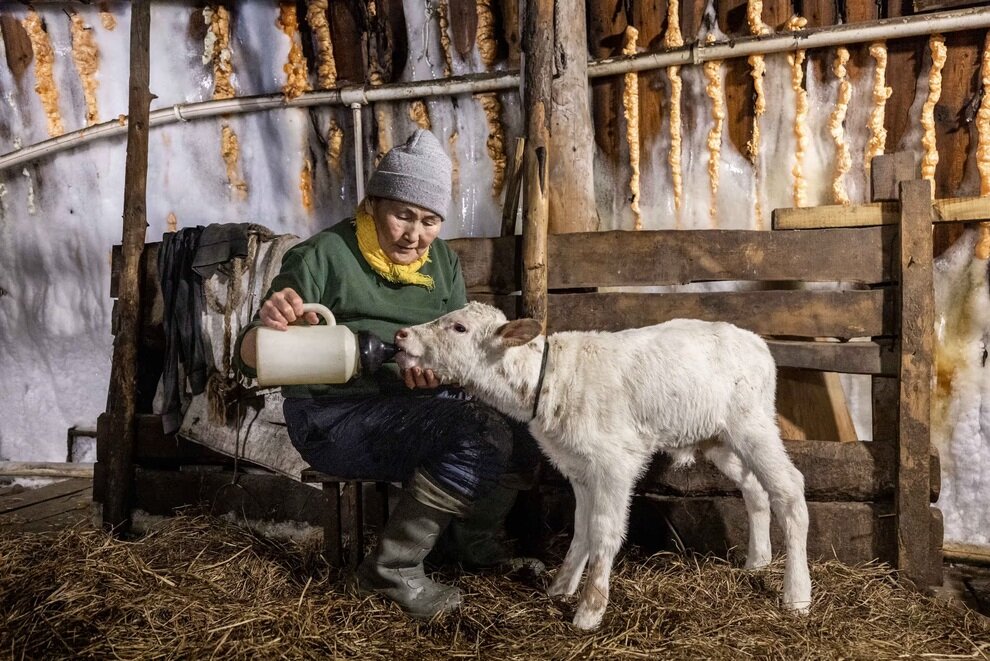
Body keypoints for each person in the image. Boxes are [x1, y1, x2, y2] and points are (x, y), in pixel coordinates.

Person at [236, 129, 540, 620]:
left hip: (417, 406)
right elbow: (247, 357)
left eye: (429, 220)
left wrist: (442, 378)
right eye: (401, 214)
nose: (413, 235)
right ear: (373, 203)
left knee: (527, 428)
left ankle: (469, 544)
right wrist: (270, 324)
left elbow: (457, 351)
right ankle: (390, 571)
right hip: (332, 417)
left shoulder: (441, 262)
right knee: (477, 435)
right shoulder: (321, 257)